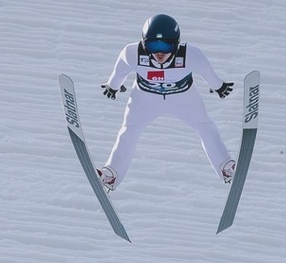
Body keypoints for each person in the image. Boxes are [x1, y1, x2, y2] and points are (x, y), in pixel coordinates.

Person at [98, 14, 235, 191]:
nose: (160, 53)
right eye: (153, 45)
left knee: (205, 127)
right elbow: (119, 71)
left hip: (183, 98)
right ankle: (112, 174)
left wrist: (219, 86)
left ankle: (226, 167)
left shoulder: (191, 55)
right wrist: (113, 86)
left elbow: (208, 73)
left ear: (177, 44)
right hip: (145, 98)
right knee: (129, 131)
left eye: (166, 45)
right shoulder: (132, 53)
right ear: (143, 43)